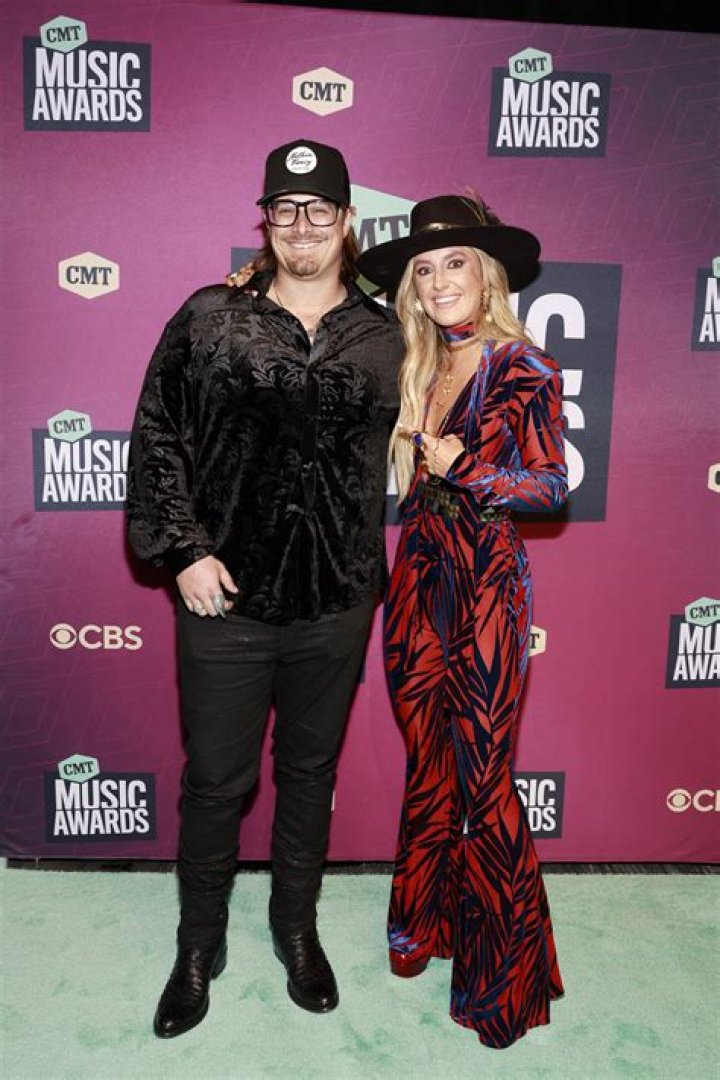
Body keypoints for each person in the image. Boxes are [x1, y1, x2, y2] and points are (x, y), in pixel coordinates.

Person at [126, 138, 404, 1038]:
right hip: (227, 600)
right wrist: (184, 550)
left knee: (310, 775)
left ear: (347, 220)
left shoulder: (386, 332)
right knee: (216, 782)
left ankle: (296, 930)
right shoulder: (210, 317)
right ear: (267, 220)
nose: (301, 226)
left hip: (337, 597)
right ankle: (197, 947)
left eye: (319, 210)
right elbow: (158, 433)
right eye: (285, 210)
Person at [356, 194, 567, 1049]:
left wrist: (466, 466)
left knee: (484, 778)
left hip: (484, 586)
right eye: (425, 268)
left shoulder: (524, 368)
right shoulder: (420, 361)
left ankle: (506, 980)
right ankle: (424, 925)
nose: (440, 280)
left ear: (488, 275)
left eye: (456, 264)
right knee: (430, 764)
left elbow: (550, 486)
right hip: (417, 580)